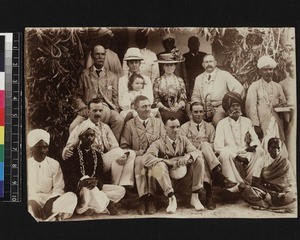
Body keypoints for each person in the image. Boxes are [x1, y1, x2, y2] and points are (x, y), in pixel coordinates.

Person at [62, 98, 135, 188]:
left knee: (130, 153)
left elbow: (114, 146)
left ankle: (123, 184)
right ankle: (113, 186)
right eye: (95, 110)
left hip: (102, 160)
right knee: (119, 152)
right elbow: (70, 144)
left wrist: (124, 155)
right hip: (90, 161)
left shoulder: (105, 127)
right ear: (88, 112)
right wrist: (66, 150)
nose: (98, 113)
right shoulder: (81, 127)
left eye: (100, 111)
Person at [180, 102, 237, 209]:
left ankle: (209, 193)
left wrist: (201, 145)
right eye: (195, 112)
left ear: (204, 113)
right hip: (192, 158)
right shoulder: (184, 127)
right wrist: (199, 146)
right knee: (202, 151)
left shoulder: (210, 127)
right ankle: (213, 185)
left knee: (205, 148)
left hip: (206, 157)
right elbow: (183, 146)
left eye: (201, 111)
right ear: (191, 113)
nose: (198, 114)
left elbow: (214, 145)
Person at [143, 117, 206, 213]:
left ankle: (195, 197)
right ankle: (171, 199)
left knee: (199, 161)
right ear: (165, 128)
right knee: (159, 165)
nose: (176, 130)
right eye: (172, 127)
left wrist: (187, 156)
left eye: (178, 127)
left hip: (184, 179)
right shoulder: (158, 143)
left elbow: (196, 152)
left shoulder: (183, 140)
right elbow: (146, 159)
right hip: (167, 182)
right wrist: (166, 161)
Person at [63, 124, 125, 216]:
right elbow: (69, 174)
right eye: (86, 135)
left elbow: (100, 175)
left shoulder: (97, 154)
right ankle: (107, 204)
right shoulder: (72, 154)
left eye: (92, 135)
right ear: (80, 137)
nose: (89, 138)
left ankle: (91, 206)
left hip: (94, 188)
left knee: (120, 190)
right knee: (86, 178)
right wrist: (81, 182)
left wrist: (96, 182)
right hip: (80, 189)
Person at [120, 95, 166, 215]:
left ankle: (151, 198)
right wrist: (136, 152)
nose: (148, 109)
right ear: (136, 109)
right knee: (141, 161)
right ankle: (143, 198)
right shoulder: (130, 124)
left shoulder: (158, 122)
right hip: (138, 157)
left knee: (150, 161)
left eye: (149, 106)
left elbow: (164, 142)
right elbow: (124, 146)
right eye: (144, 106)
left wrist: (155, 150)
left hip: (155, 156)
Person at [70, 44, 124, 141]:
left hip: (106, 107)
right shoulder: (84, 74)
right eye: (97, 54)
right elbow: (76, 96)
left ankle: (111, 148)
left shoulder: (112, 76)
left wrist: (116, 109)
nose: (100, 57)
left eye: (102, 54)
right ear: (92, 56)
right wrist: (83, 108)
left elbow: (115, 97)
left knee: (119, 120)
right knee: (73, 126)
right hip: (88, 108)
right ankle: (79, 151)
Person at [214, 92, 265, 192]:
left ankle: (251, 182)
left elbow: (255, 139)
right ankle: (234, 187)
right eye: (233, 106)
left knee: (260, 151)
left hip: (246, 152)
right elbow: (218, 146)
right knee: (224, 155)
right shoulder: (221, 124)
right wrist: (236, 156)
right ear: (227, 109)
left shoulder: (247, 121)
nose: (236, 108)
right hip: (231, 155)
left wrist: (253, 146)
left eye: (237, 105)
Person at [27, 129, 77, 221]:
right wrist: (31, 201)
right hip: (31, 200)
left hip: (50, 200)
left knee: (71, 196)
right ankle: (53, 215)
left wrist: (50, 201)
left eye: (45, 147)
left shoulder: (54, 164)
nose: (42, 150)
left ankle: (43, 216)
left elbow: (59, 188)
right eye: (38, 147)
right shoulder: (26, 165)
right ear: (31, 149)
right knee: (24, 207)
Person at [191, 54, 244, 126]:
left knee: (217, 121)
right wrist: (198, 106)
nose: (209, 64)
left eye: (211, 61)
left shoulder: (224, 74)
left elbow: (239, 88)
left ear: (215, 63)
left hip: (221, 108)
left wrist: (227, 102)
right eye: (206, 62)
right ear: (203, 64)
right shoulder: (199, 78)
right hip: (204, 109)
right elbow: (195, 95)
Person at [244, 138, 296, 208]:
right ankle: (269, 203)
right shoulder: (262, 161)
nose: (276, 150)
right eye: (273, 147)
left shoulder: (285, 162)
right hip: (265, 190)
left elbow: (290, 182)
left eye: (278, 148)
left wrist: (283, 192)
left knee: (291, 194)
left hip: (280, 191)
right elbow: (254, 182)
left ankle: (265, 203)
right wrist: (269, 192)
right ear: (268, 149)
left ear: (281, 149)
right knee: (247, 191)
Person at [245, 55, 286, 142]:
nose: (268, 72)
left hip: (276, 121)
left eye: (270, 69)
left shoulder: (278, 86)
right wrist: (255, 125)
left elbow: (283, 103)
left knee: (277, 144)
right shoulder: (254, 86)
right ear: (260, 71)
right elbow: (251, 107)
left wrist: (281, 104)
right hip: (261, 122)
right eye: (265, 69)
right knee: (264, 143)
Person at [153, 52, 189, 124]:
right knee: (165, 116)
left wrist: (177, 107)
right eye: (167, 65)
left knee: (179, 116)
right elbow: (156, 99)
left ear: (175, 66)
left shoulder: (179, 80)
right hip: (163, 109)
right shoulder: (158, 80)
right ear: (163, 66)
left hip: (177, 108)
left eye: (171, 65)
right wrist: (166, 108)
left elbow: (183, 98)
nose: (169, 67)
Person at [279, 60, 296, 175]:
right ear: (287, 68)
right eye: (291, 65)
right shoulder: (283, 83)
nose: (294, 67)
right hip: (290, 114)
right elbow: (282, 103)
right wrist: (288, 120)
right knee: (291, 143)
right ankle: (292, 171)